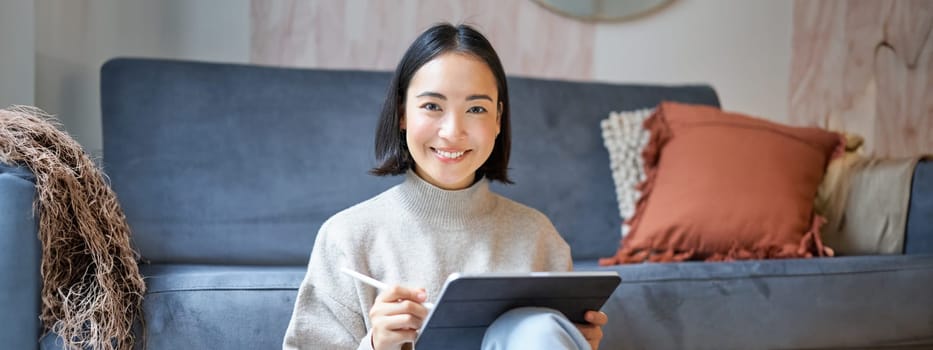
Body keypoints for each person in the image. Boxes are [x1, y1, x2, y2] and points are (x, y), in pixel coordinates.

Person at [283, 23, 608, 350]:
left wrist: (571, 342)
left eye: (476, 109)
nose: (453, 132)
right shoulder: (346, 238)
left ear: (498, 119)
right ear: (402, 114)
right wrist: (374, 346)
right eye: (432, 106)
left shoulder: (539, 237)